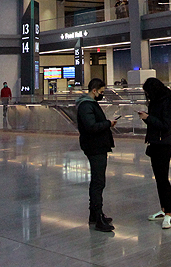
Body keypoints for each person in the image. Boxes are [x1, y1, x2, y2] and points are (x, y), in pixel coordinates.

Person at [138, 77, 171, 230]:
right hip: (156, 142)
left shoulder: (166, 102)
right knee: (159, 178)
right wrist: (147, 118)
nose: (147, 95)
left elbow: (165, 125)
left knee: (163, 178)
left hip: (164, 144)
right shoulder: (156, 101)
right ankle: (163, 209)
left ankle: (169, 213)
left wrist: (148, 117)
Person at [77, 78, 118, 231]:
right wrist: (108, 123)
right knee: (98, 182)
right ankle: (98, 216)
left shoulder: (89, 104)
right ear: (94, 90)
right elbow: (91, 126)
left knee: (98, 180)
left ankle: (94, 214)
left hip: (96, 146)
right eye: (101, 92)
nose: (102, 94)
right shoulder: (86, 105)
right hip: (95, 147)